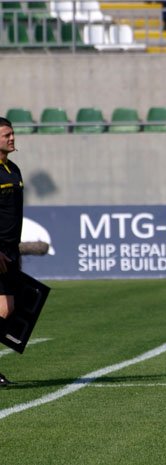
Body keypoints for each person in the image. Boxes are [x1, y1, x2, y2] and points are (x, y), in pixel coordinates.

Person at [0, 117, 23, 387]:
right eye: (6, 135)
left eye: (13, 133)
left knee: (12, 308)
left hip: (10, 250)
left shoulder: (13, 169)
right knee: (6, 309)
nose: (12, 138)